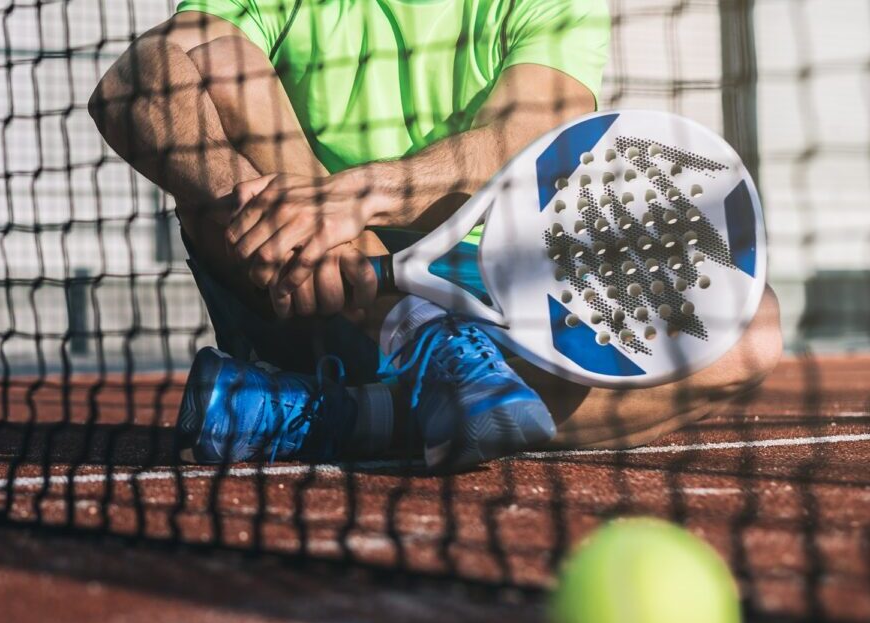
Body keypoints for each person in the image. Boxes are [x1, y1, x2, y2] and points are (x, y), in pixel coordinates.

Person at [90, 0, 782, 472]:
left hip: (478, 287)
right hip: (304, 286)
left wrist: (362, 193)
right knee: (218, 65)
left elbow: (528, 134)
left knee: (748, 333)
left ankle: (351, 416)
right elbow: (136, 80)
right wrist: (261, 210)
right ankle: (408, 337)